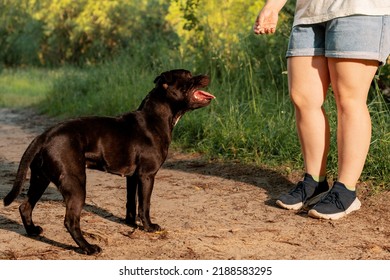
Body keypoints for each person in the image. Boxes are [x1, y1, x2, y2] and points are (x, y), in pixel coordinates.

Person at [253, 0, 390, 220]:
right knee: (303, 97)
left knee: (349, 99)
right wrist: (273, 6)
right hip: (309, 13)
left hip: (360, 10)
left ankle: (346, 190)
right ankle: (314, 182)